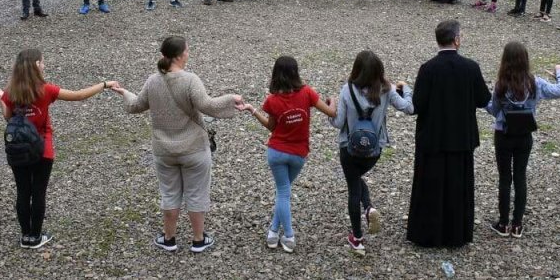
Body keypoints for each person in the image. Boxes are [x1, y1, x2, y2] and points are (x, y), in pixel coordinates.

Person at [110, 36, 242, 253]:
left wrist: (124, 92)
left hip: (164, 150)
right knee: (197, 193)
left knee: (169, 194)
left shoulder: (153, 81)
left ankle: (169, 238)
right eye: (187, 51)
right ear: (180, 55)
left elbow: (135, 106)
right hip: (194, 149)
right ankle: (198, 240)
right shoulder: (190, 80)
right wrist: (232, 99)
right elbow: (207, 105)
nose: (188, 54)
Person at [0, 49, 112, 248]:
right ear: (35, 65)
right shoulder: (46, 90)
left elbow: (8, 117)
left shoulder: (10, 92)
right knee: (39, 191)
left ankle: (25, 236)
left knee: (23, 191)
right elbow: (78, 96)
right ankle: (36, 236)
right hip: (42, 148)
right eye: (42, 62)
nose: (44, 65)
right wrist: (104, 84)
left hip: (18, 148)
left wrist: (1, 99)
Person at [405, 20, 491, 247]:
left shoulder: (428, 68)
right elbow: (484, 99)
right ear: (456, 39)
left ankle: (428, 233)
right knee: (457, 188)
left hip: (432, 138)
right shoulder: (471, 67)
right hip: (461, 137)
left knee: (430, 187)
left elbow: (418, 105)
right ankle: (456, 234)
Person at [241, 57, 336, 253]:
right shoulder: (307, 93)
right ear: (296, 72)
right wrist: (332, 101)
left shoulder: (272, 100)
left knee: (282, 193)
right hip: (299, 154)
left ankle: (278, 234)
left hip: (276, 152)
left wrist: (253, 110)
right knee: (283, 192)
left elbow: (270, 126)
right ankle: (281, 235)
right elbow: (332, 113)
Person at [328, 51, 414, 254]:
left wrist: (330, 110)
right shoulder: (387, 89)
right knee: (356, 178)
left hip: (349, 149)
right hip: (374, 150)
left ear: (356, 70)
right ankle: (368, 208)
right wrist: (406, 88)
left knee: (353, 186)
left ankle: (357, 238)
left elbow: (338, 122)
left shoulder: (347, 90)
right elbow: (409, 108)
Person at [487, 42, 560, 238]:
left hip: (504, 134)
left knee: (505, 178)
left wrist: (484, 100)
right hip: (524, 135)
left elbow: (493, 110)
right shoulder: (535, 83)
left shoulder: (501, 85)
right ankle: (517, 224)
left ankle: (503, 223)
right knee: (520, 176)